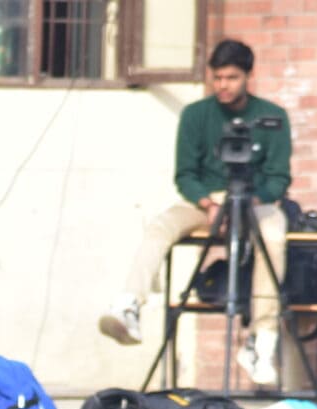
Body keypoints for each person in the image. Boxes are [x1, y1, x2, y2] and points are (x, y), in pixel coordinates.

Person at [101, 39, 292, 387]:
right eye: (217, 78)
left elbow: (279, 178)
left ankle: (261, 339)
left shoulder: (271, 116)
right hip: (206, 200)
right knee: (160, 226)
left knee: (274, 236)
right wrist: (208, 203)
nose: (223, 86)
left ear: (248, 76)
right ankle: (129, 305)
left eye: (231, 78)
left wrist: (252, 200)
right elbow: (185, 174)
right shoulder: (196, 115)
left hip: (255, 201)